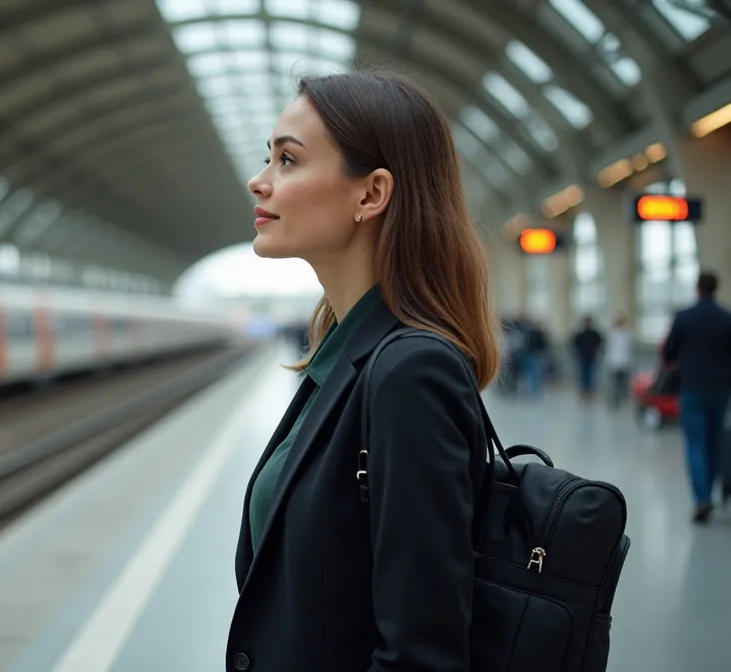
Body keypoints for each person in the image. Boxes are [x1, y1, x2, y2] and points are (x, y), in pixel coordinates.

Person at [226, 70, 499, 672]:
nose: (259, 180)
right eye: (268, 157)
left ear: (371, 195)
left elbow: (421, 655)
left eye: (288, 160)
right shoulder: (348, 356)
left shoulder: (411, 373)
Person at [662, 271, 731, 523]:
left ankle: (702, 499)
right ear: (716, 288)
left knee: (695, 443)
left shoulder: (684, 317)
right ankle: (710, 491)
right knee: (715, 442)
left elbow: (668, 352)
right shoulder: (729, 319)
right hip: (721, 389)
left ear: (698, 288)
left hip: (692, 388)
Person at [571, 316, 604, 403]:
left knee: (591, 376)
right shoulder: (580, 334)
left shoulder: (595, 334)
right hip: (582, 358)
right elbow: (574, 344)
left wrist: (598, 352)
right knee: (583, 376)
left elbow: (600, 344)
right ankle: (583, 392)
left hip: (592, 358)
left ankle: (590, 393)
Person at [604, 313, 634, 408]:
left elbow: (628, 349)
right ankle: (614, 401)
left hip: (624, 362)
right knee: (614, 383)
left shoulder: (626, 335)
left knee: (623, 383)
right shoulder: (613, 334)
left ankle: (623, 400)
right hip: (614, 362)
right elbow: (610, 349)